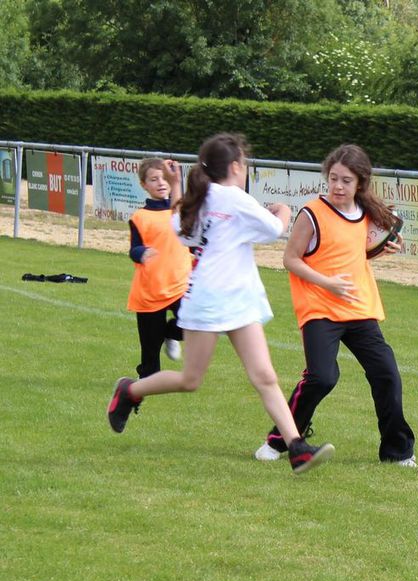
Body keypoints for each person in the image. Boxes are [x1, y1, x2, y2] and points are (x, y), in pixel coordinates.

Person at [107, 133, 334, 474]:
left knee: (264, 375)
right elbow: (274, 229)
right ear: (235, 166)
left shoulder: (204, 198)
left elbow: (183, 232)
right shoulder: (230, 197)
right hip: (210, 301)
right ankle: (129, 391)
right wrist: (284, 210)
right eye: (244, 163)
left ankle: (296, 447)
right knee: (190, 379)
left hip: (237, 300)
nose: (245, 169)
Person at [254, 143, 417, 468]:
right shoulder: (312, 213)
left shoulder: (365, 213)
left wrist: (378, 252)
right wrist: (327, 283)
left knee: (387, 374)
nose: (338, 186)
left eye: (346, 180)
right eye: (333, 179)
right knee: (322, 377)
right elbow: (290, 259)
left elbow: (350, 255)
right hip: (319, 308)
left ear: (360, 183)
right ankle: (278, 440)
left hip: (358, 307)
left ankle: (398, 452)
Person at [126, 158, 191, 377]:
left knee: (193, 326)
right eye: (154, 179)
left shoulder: (180, 210)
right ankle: (141, 389)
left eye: (164, 178)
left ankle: (170, 333)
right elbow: (133, 249)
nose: (160, 183)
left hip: (180, 285)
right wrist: (141, 253)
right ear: (144, 185)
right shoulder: (140, 217)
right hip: (150, 292)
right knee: (150, 357)